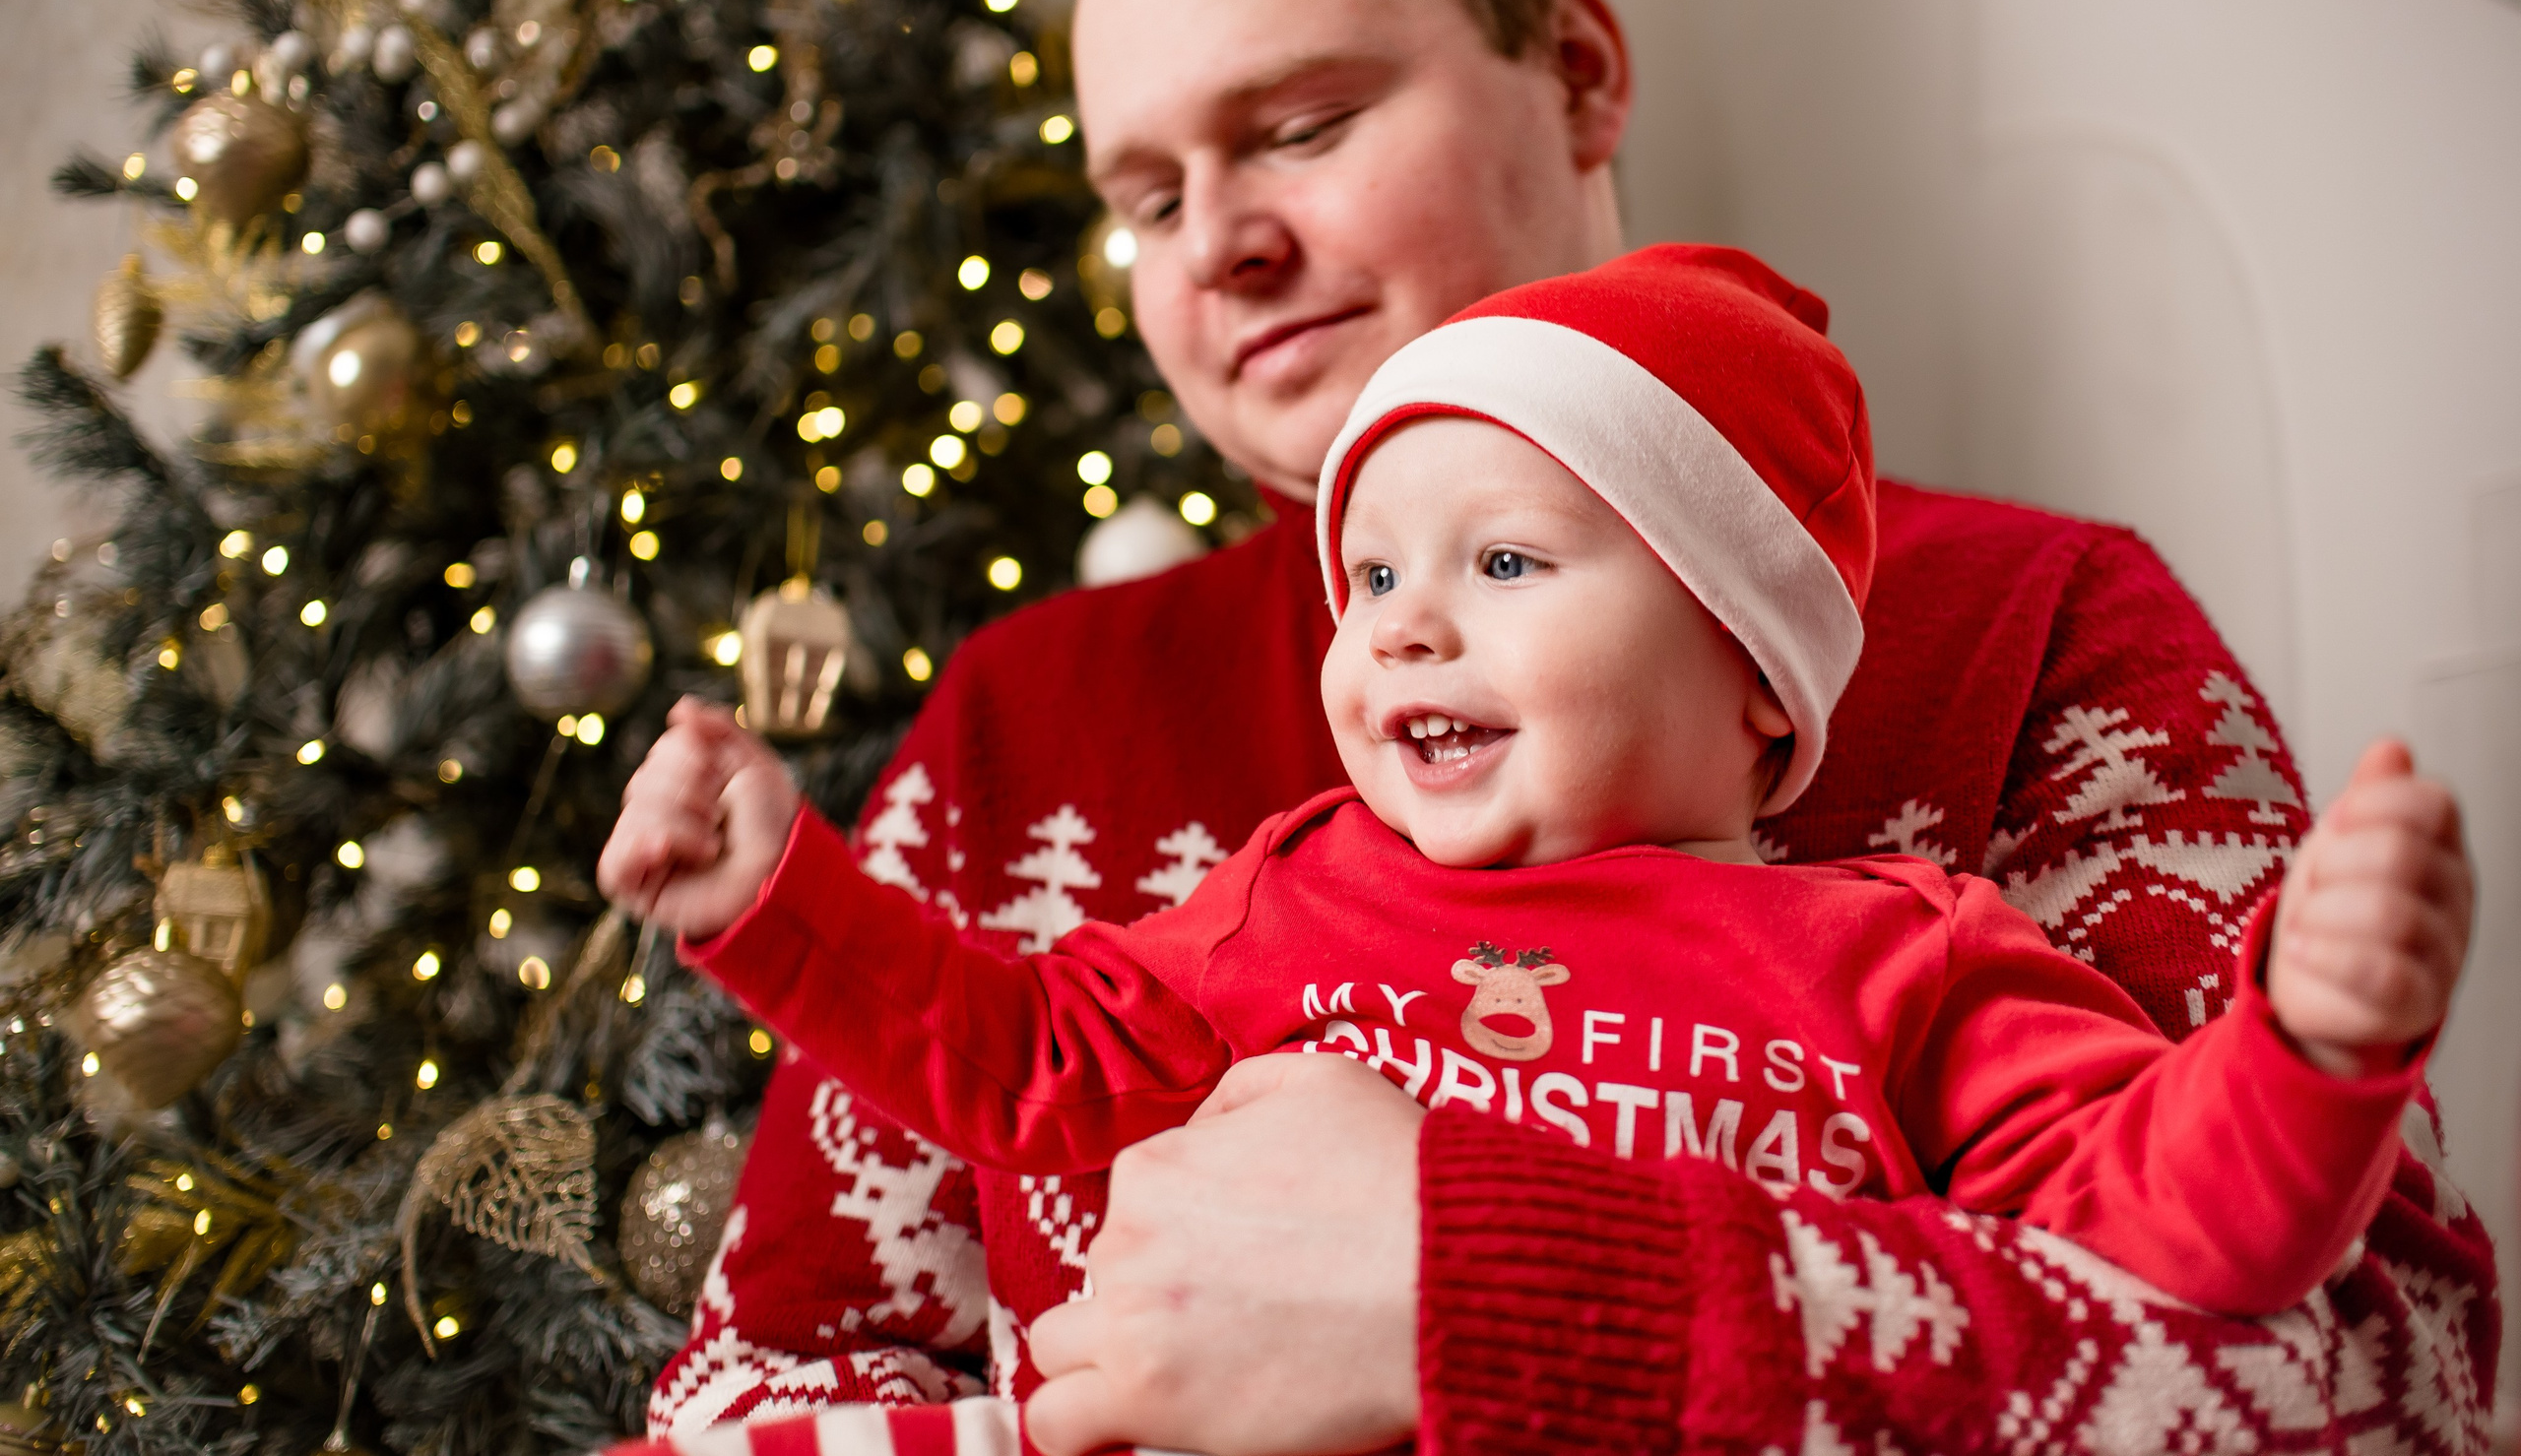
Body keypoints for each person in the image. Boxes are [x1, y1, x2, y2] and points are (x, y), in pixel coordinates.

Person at [635, 0, 2489, 1456]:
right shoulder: (1025, 724)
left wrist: (1500, 1295)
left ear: (1584, 70)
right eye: (1146, 195)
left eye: (1304, 122)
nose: (1214, 248)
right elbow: (774, 1386)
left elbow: (2379, 1381)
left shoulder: (2043, 635)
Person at [607, 244, 2454, 1358]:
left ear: (1750, 670)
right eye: (1371, 580)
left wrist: (2307, 1040)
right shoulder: (1285, 901)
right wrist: (777, 892)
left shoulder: (1905, 958)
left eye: (1501, 565)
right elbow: (1015, 1059)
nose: (1403, 628)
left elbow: (2162, 1229)